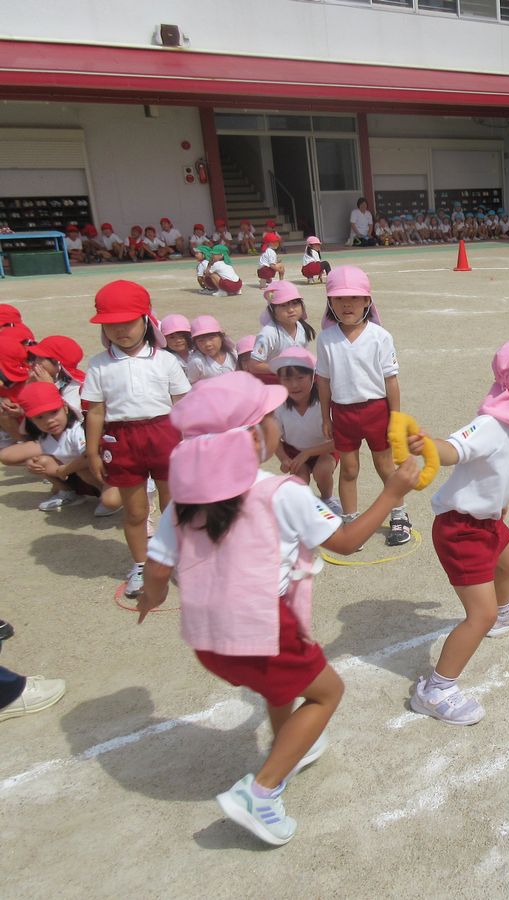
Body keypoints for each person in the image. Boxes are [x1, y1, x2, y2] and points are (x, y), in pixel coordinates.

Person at [136, 372, 422, 846]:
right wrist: (392, 493)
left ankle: (291, 743)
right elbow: (347, 542)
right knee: (327, 692)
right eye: (270, 419)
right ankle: (261, 792)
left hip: (208, 637)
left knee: (279, 686)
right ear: (253, 437)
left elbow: (159, 573)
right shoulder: (281, 492)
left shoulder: (181, 504)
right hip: (262, 626)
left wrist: (150, 600)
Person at [411, 338, 509, 724]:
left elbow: (503, 475)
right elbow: (453, 449)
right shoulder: (492, 425)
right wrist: (426, 446)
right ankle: (436, 690)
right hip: (460, 530)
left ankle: (505, 612)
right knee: (475, 617)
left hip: (487, 523)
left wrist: (500, 510)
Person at [81, 281, 191, 597]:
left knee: (174, 507)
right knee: (136, 511)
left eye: (128, 321)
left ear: (146, 320)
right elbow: (96, 412)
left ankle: (178, 558)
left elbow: (184, 404)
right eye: (111, 324)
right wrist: (91, 451)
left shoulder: (165, 360)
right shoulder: (99, 364)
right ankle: (141, 564)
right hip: (121, 439)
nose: (120, 330)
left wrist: (194, 442)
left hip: (164, 434)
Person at [314, 266, 411, 547]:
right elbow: (323, 381)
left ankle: (399, 514)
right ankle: (351, 521)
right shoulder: (326, 339)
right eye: (339, 298)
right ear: (329, 303)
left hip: (376, 411)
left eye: (355, 298)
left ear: (368, 301)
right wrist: (326, 416)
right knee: (349, 470)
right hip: (343, 413)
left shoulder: (380, 336)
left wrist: (395, 417)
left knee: (385, 465)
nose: (347, 304)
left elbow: (390, 381)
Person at [14, 381, 121, 515]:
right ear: (32, 421)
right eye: (39, 417)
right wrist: (31, 462)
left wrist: (66, 470)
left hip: (103, 474)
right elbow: (51, 456)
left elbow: (88, 457)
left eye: (53, 412)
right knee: (41, 462)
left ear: (65, 407)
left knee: (109, 499)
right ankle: (68, 493)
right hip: (75, 476)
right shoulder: (44, 437)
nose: (49, 421)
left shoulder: (77, 430)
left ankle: (105, 493)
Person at [269, 347, 341, 515]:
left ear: (313, 377)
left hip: (325, 450)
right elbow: (275, 439)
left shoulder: (325, 402)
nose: (294, 385)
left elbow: (339, 441)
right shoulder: (279, 406)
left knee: (322, 471)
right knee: (299, 478)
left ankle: (327, 498)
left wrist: (309, 453)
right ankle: (304, 504)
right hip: (293, 451)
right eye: (287, 379)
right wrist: (285, 459)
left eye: (300, 378)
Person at [246, 282, 316, 383]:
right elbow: (254, 365)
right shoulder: (268, 334)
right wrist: (284, 369)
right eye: (283, 305)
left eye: (295, 303)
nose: (291, 309)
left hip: (295, 378)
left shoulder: (301, 327)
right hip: (274, 380)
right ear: (272, 310)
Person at [184, 315, 238, 383]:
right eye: (201, 340)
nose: (207, 344)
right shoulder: (197, 362)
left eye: (211, 338)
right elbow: (192, 383)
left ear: (221, 337)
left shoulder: (233, 354)